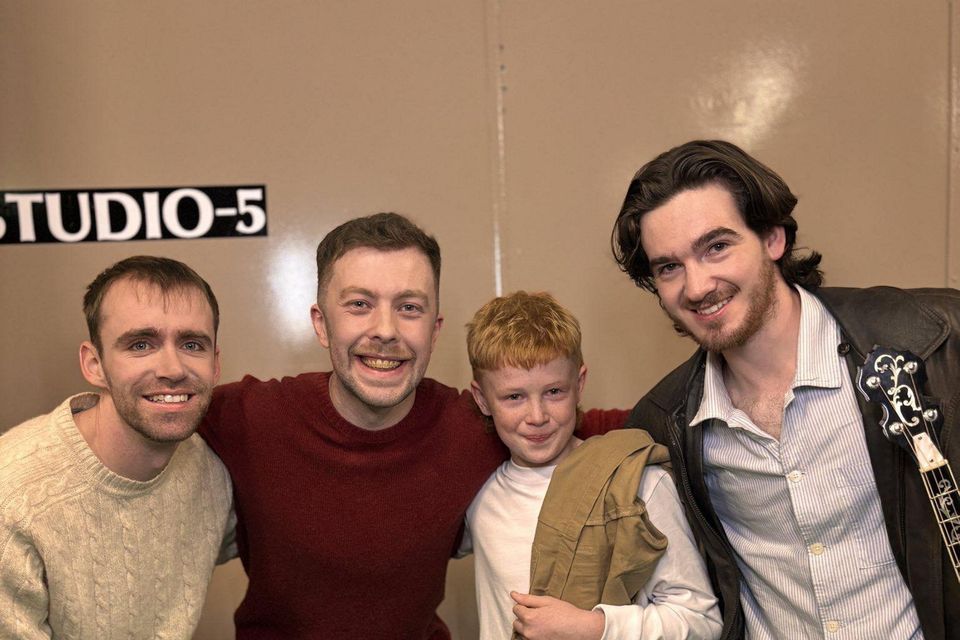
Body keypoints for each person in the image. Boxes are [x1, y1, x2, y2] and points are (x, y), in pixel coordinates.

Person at [200, 212, 625, 638]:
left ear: (434, 330)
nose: (385, 331)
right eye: (359, 305)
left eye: (409, 308)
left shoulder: (472, 426)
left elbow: (604, 421)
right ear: (321, 324)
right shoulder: (249, 417)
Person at [610, 139, 960, 640]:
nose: (697, 286)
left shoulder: (933, 343)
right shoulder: (665, 427)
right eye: (669, 267)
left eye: (716, 247)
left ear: (773, 239)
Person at [461, 291, 722, 640]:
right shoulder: (477, 492)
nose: (536, 417)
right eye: (514, 397)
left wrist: (594, 627)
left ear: (579, 384)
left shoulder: (637, 482)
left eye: (554, 392)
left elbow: (702, 623)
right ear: (482, 399)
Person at [0, 256, 235, 639]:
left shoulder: (213, 471)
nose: (173, 369)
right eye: (141, 344)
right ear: (94, 364)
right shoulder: (13, 500)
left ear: (215, 364)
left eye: (192, 344)